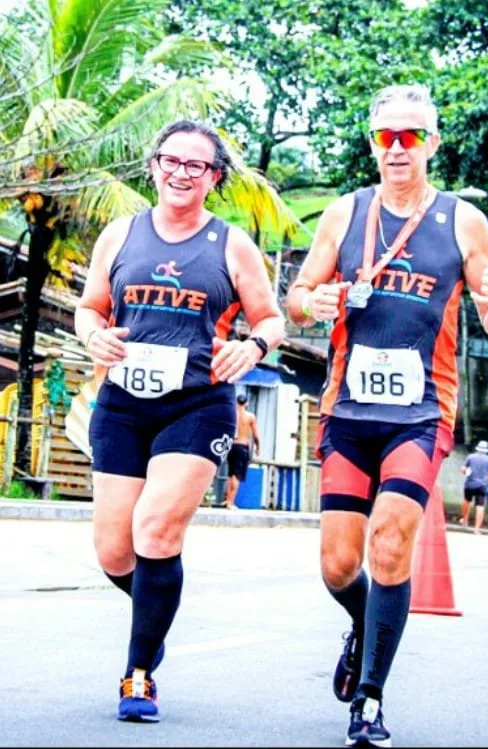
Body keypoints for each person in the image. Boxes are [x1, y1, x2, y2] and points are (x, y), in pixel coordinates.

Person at [284, 83, 488, 747]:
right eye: (386, 136)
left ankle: (369, 697)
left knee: (390, 541)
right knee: (337, 563)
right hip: (348, 409)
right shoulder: (344, 214)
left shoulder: (462, 222)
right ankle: (365, 624)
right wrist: (315, 303)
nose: (396, 147)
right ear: (371, 142)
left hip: (422, 408)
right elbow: (298, 296)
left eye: (410, 136)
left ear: (432, 144)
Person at [74, 119, 285, 723]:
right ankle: (154, 616)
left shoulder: (231, 244)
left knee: (157, 530)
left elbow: (271, 318)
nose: (181, 173)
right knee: (116, 552)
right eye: (172, 160)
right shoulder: (120, 235)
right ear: (154, 165)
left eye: (196, 165)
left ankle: (139, 674)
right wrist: (93, 334)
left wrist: (254, 347)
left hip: (197, 402)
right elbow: (91, 306)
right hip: (121, 402)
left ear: (213, 177)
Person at [225, 392, 261, 509]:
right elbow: (256, 435)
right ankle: (230, 502)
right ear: (246, 403)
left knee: (230, 474)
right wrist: (258, 447)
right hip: (242, 446)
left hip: (231, 446)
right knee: (237, 475)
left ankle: (227, 500)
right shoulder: (250, 416)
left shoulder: (232, 414)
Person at [459, 440, 488, 533]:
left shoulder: (470, 457)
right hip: (482, 486)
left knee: (467, 501)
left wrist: (465, 472)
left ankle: (465, 521)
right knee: (480, 506)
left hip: (470, 484)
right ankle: (476, 529)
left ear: (477, 449)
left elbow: (463, 469)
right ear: (486, 450)